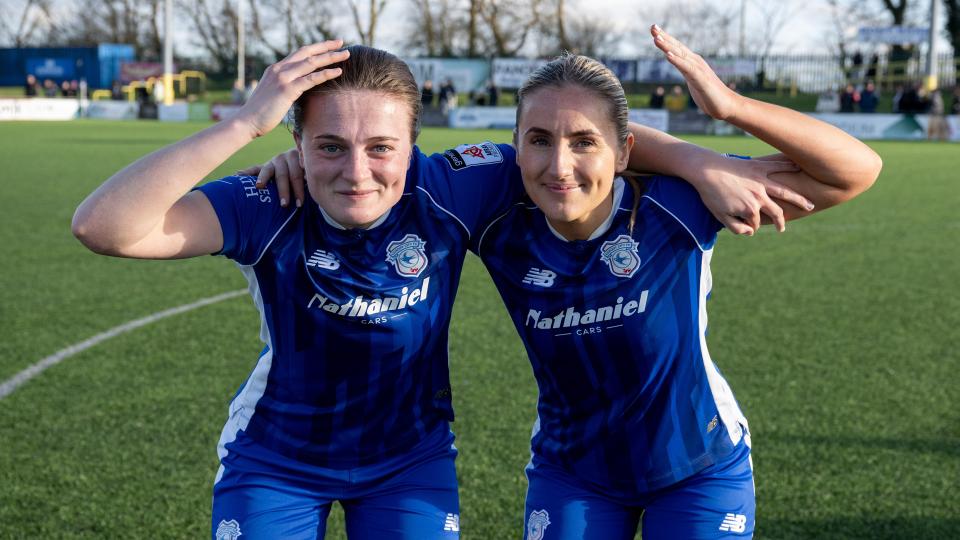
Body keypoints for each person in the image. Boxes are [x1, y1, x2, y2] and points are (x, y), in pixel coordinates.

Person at [76, 40, 808, 539]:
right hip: (275, 461)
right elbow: (105, 227)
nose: (356, 171)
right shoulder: (266, 201)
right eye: (328, 146)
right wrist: (242, 124)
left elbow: (577, 129)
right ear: (296, 146)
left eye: (380, 148)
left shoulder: (459, 186)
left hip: (410, 464)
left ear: (414, 148)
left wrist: (699, 157)